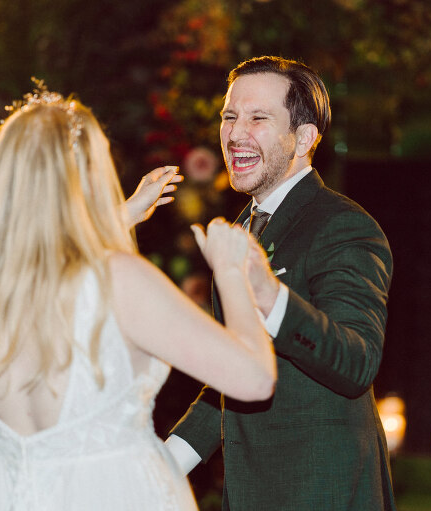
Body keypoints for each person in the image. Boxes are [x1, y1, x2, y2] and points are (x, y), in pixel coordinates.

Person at [0, 83, 277, 511]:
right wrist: (232, 271)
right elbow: (255, 380)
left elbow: (55, 255)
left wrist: (121, 216)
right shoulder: (120, 280)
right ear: (89, 176)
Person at [166, 56, 396, 510]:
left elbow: (357, 361)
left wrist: (270, 295)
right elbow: (234, 373)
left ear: (305, 138)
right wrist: (166, 462)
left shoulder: (344, 226)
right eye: (229, 117)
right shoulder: (244, 227)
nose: (235, 133)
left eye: (258, 118)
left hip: (321, 493)